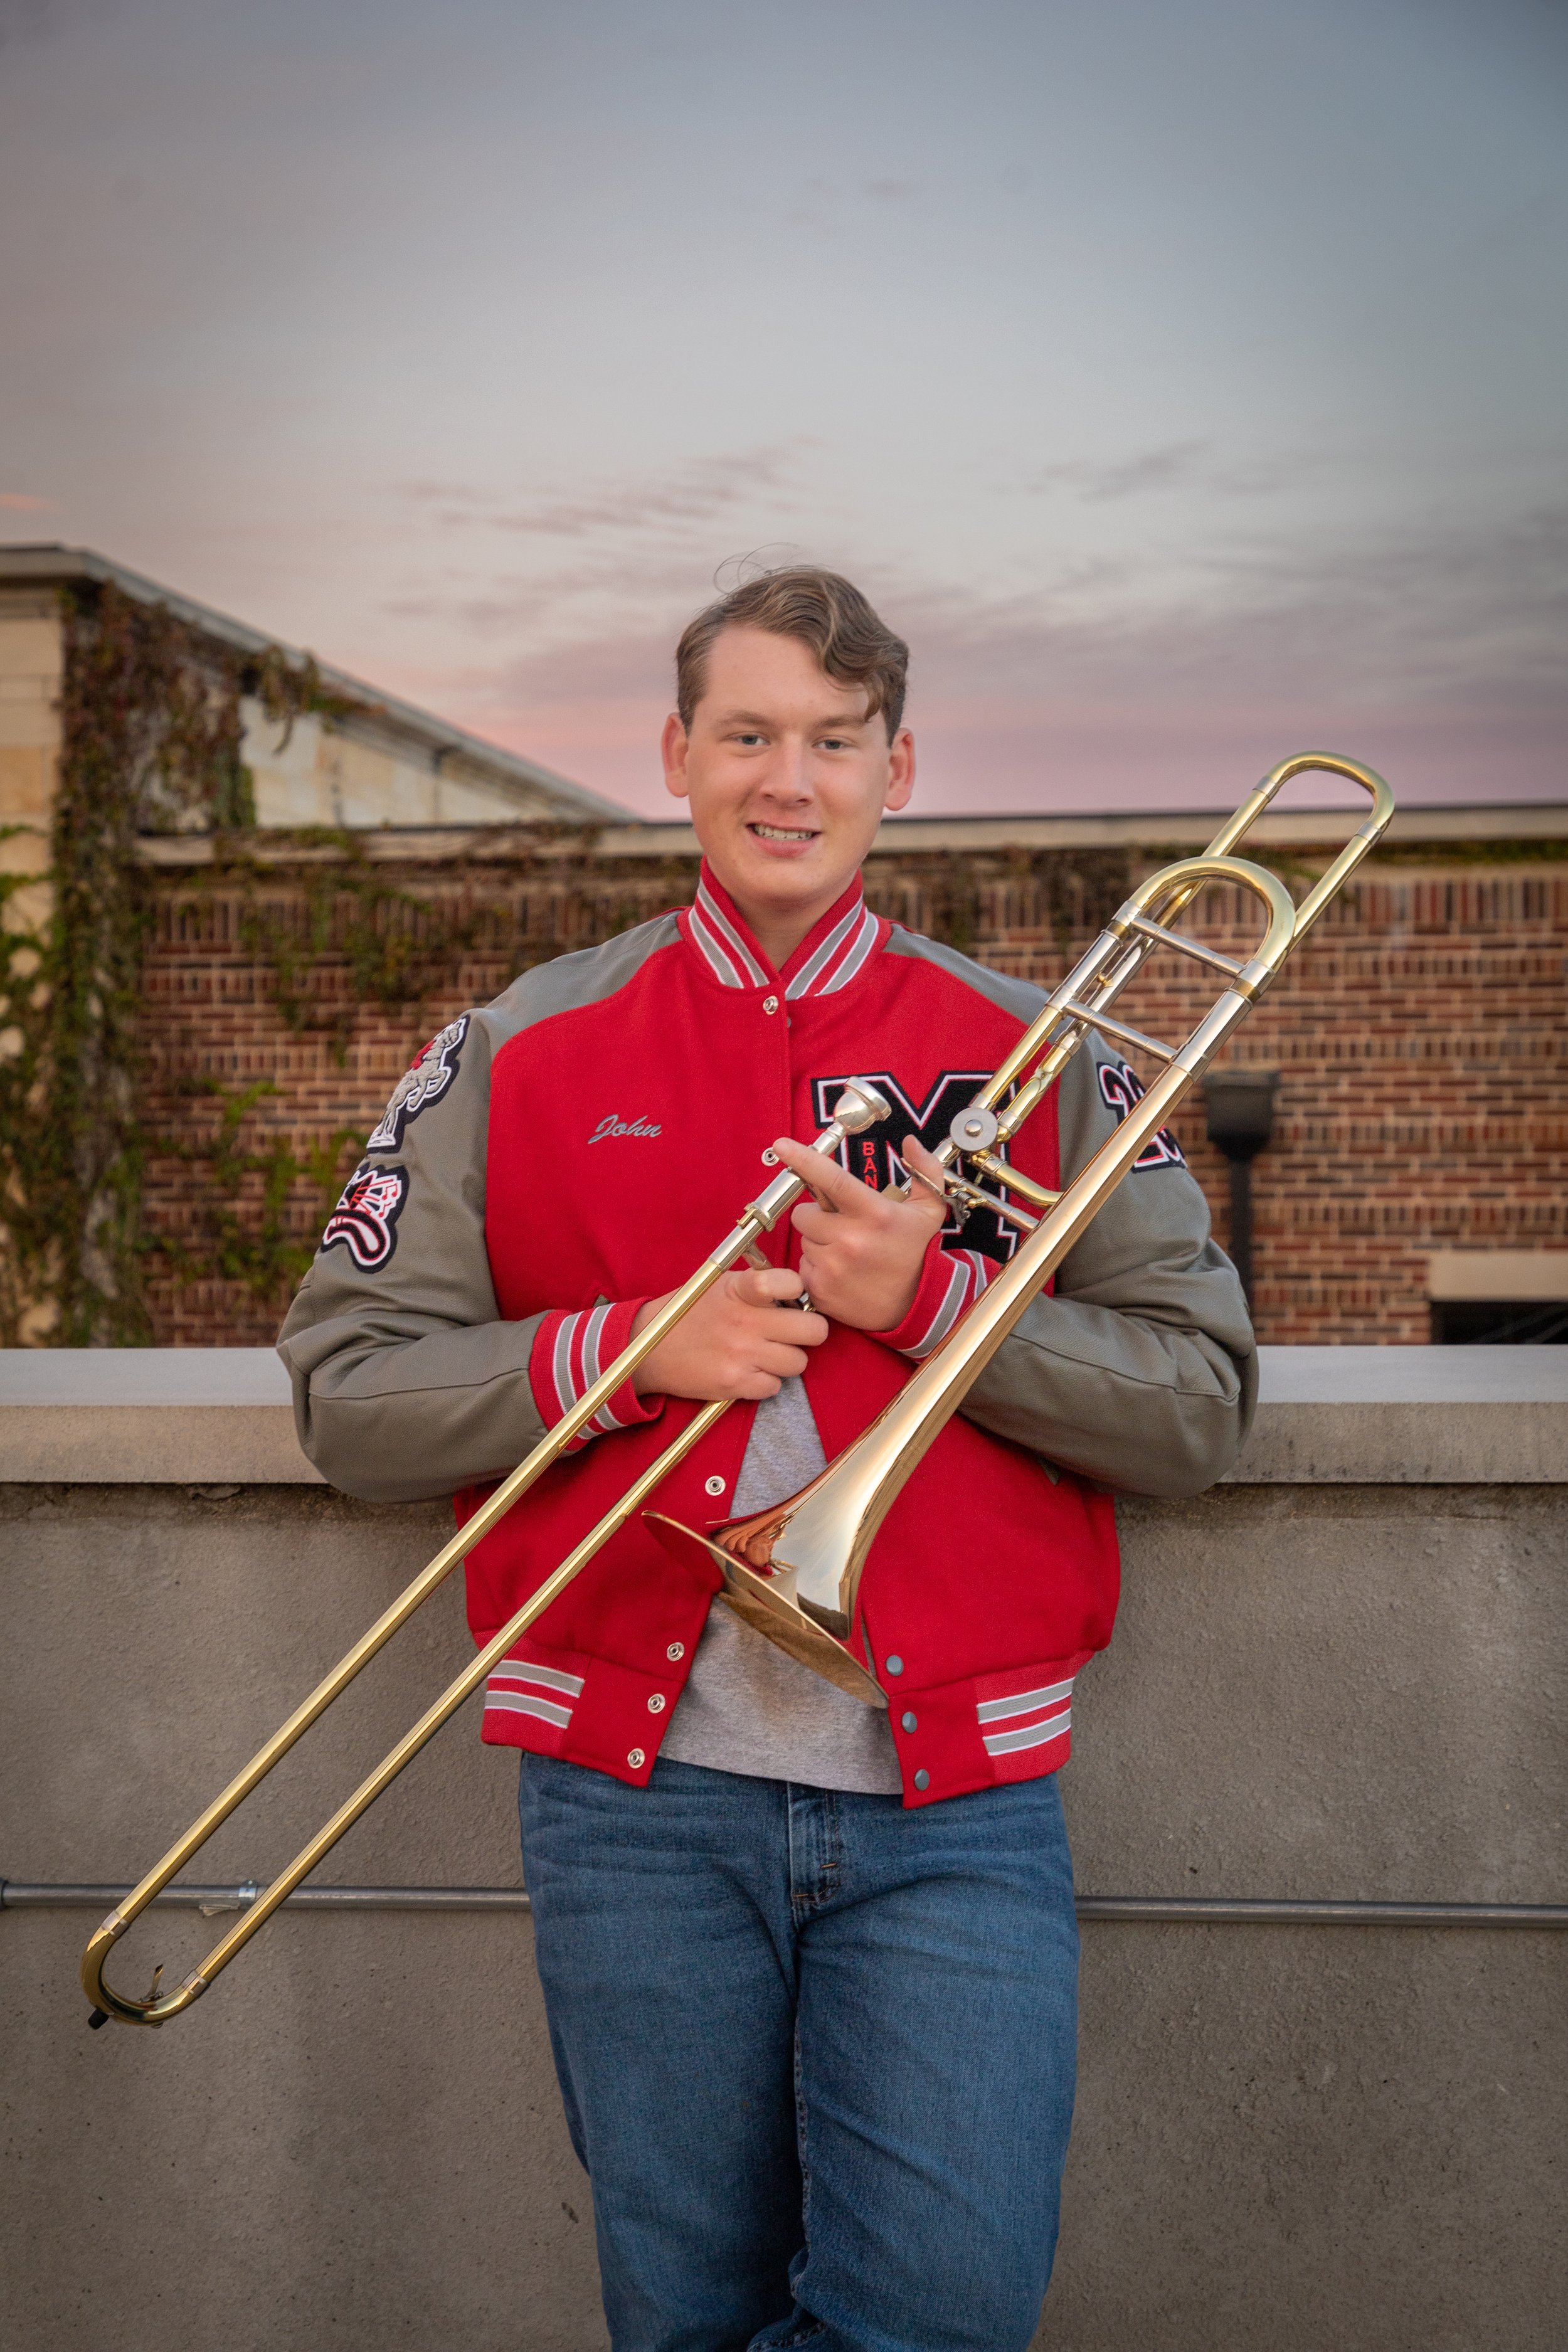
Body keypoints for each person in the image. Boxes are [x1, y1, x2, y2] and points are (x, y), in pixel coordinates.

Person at [278, 568, 1255, 2352]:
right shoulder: (513, 1047)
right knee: (683, 2317)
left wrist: (938, 1302)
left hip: (956, 1806)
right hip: (633, 1807)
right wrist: (617, 1351)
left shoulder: (1044, 1048)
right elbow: (348, 1388)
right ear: (676, 755)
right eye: (745, 734)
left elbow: (1196, 1402)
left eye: (831, 740)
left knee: (940, 2315)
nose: (784, 779)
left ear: (899, 767)